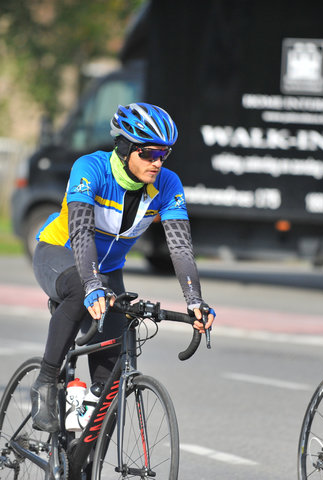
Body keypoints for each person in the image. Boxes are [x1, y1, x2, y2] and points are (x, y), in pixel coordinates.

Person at [29, 102, 216, 432]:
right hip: (61, 253)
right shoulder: (91, 169)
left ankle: (80, 457)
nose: (157, 163)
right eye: (149, 153)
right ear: (125, 147)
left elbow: (180, 247)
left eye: (164, 154)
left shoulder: (168, 185)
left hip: (108, 269)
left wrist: (194, 300)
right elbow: (82, 232)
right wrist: (90, 284)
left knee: (109, 396)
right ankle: (45, 381)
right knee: (77, 288)